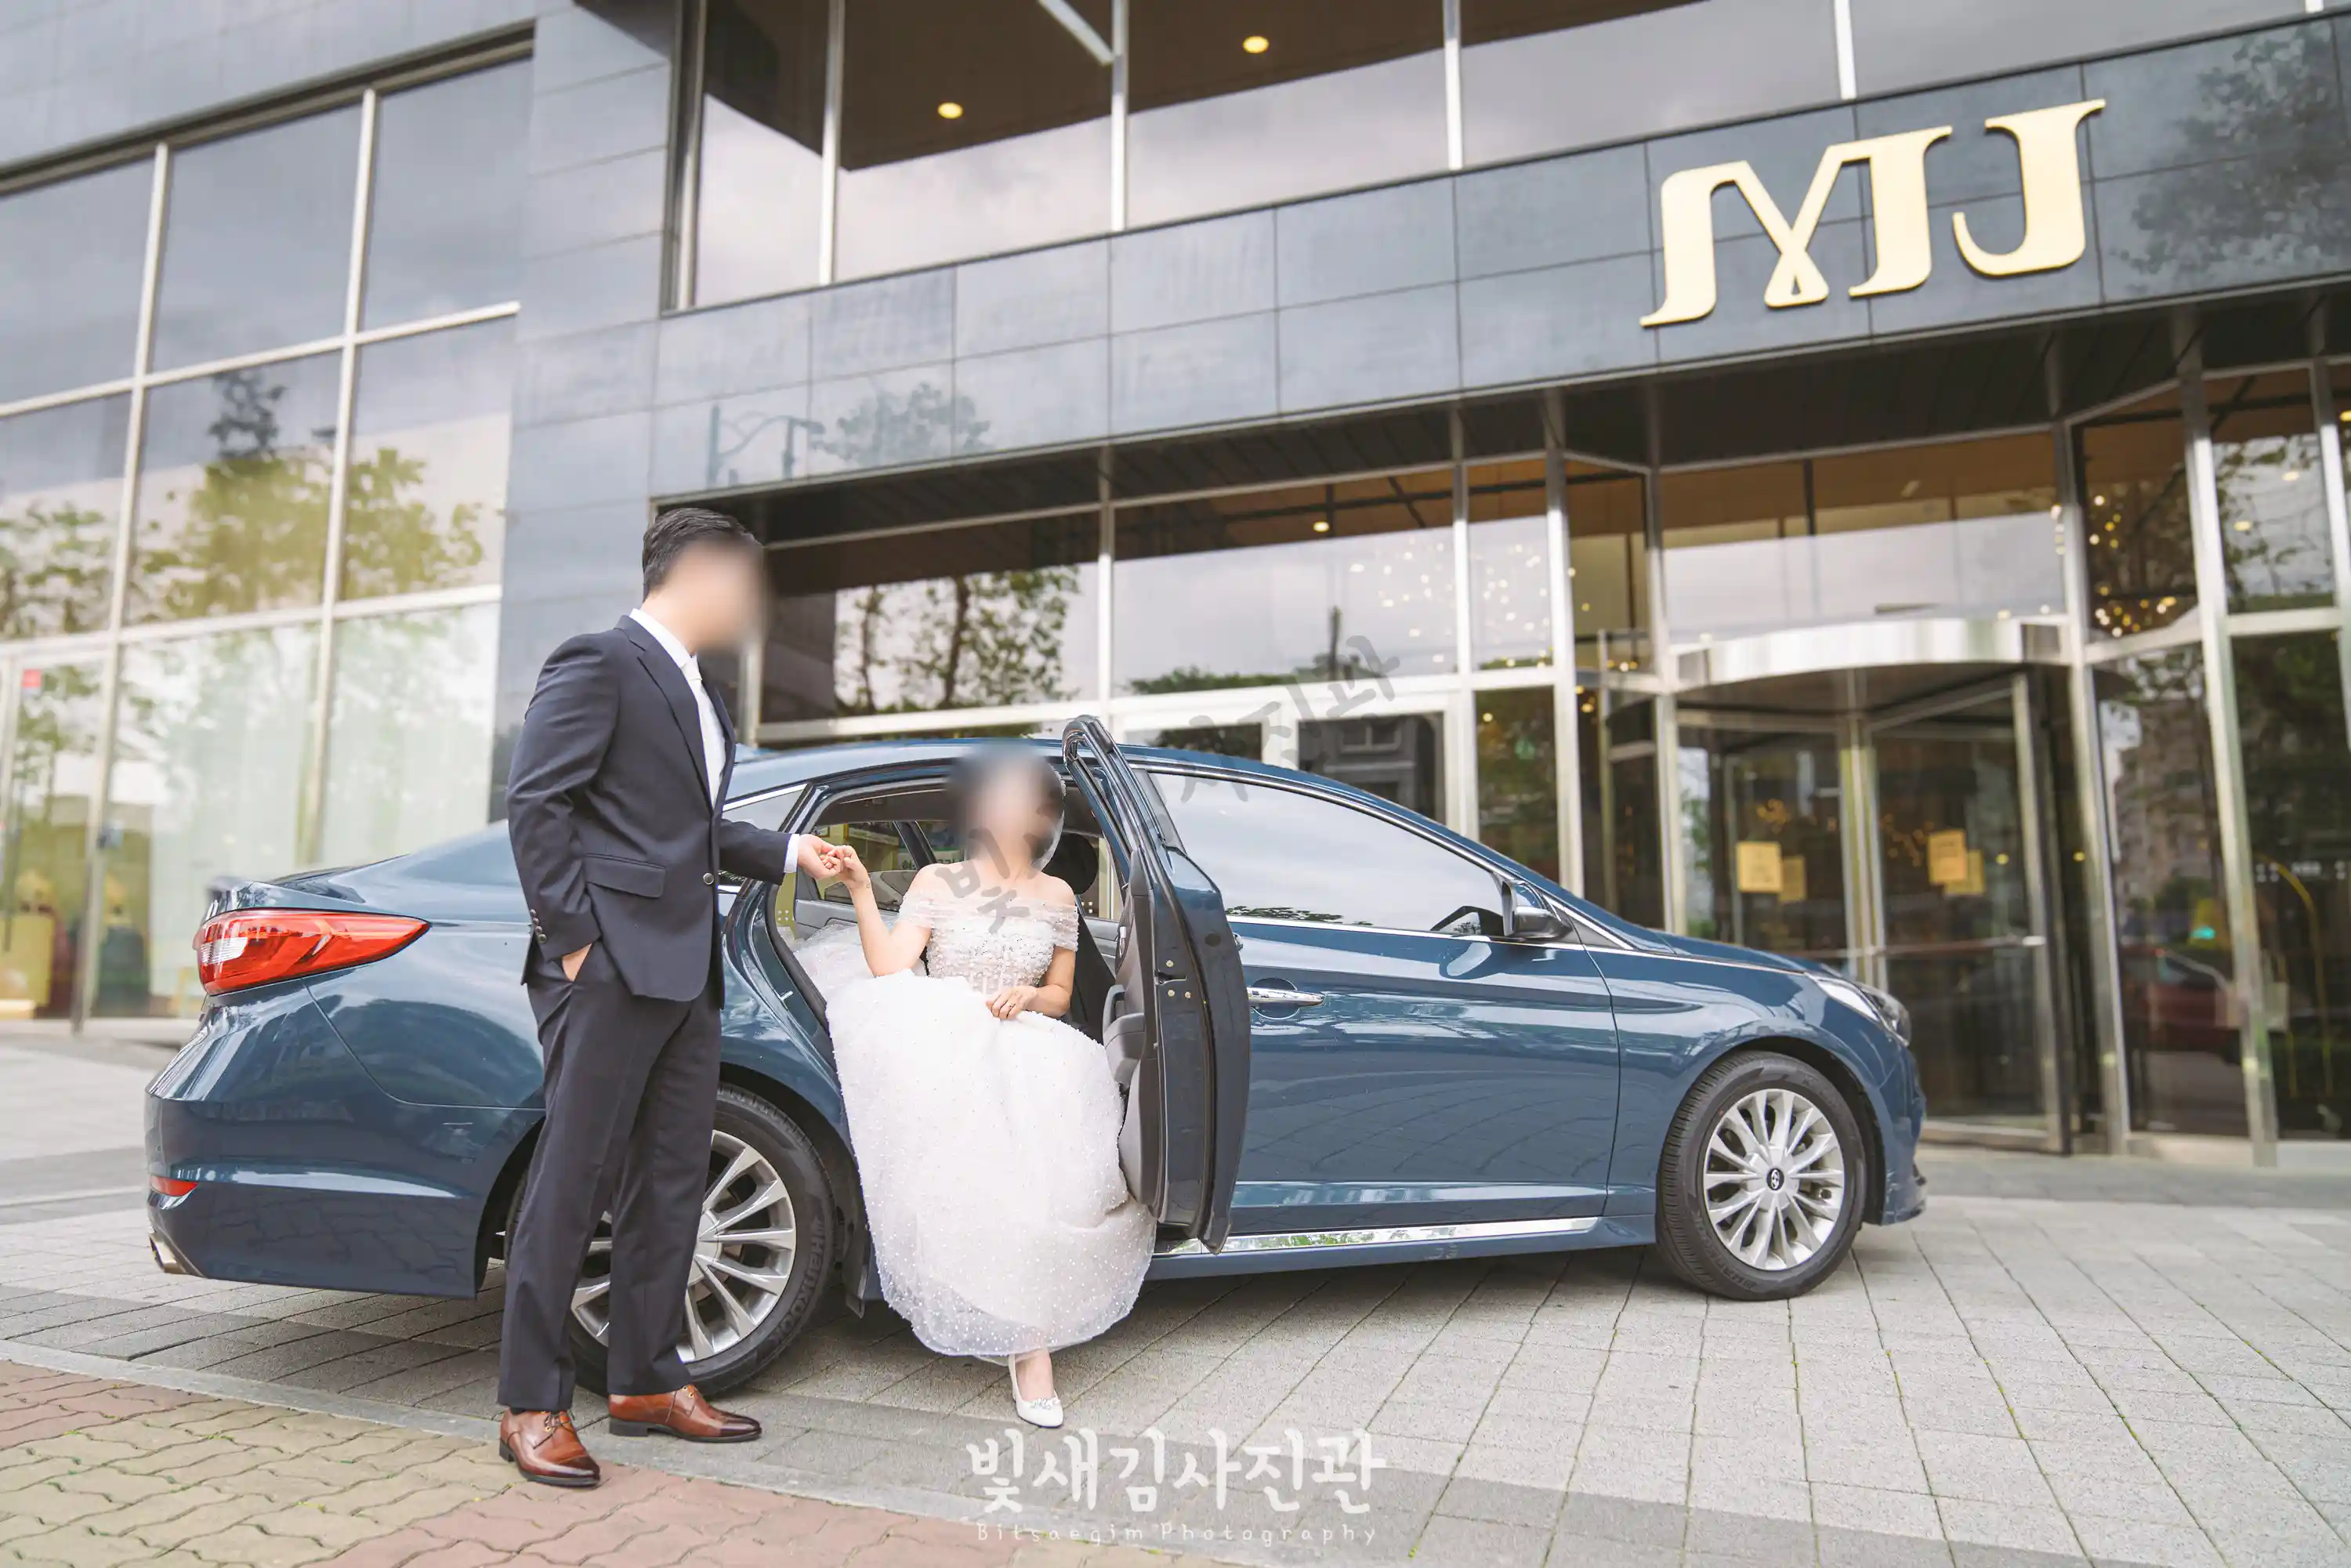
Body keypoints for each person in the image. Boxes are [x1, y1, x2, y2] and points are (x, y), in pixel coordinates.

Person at [497, 506, 843, 1487]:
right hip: (608, 967)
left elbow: (688, 831)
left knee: (671, 1180)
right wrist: (573, 945)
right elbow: (537, 802)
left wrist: (789, 851)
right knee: (573, 1184)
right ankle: (530, 1403)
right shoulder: (601, 661)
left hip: (688, 970)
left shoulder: (703, 692)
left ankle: (647, 1379)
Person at [822, 748, 1152, 1428]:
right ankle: (1026, 1343)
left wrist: (1029, 996)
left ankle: (1028, 1340)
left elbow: (1060, 994)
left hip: (1028, 1042)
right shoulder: (938, 880)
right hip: (945, 1043)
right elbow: (889, 966)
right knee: (988, 1159)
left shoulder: (1057, 895)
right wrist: (860, 888)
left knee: (1041, 1163)